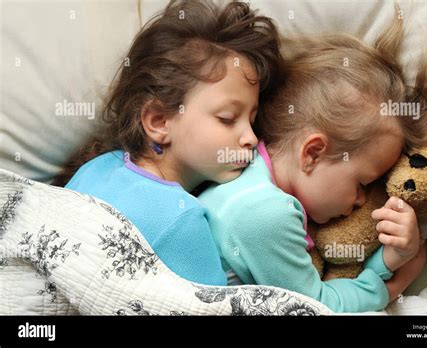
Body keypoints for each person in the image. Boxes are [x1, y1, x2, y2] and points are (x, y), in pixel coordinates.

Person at [199, 8, 427, 311]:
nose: (361, 201)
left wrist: (386, 258)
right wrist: (391, 285)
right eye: (362, 183)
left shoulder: (249, 177)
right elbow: (313, 306)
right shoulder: (264, 214)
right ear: (313, 153)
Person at [57, 0, 282, 286]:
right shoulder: (182, 220)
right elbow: (214, 307)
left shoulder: (94, 167)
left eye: (252, 120)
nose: (251, 138)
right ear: (159, 121)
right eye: (227, 118)